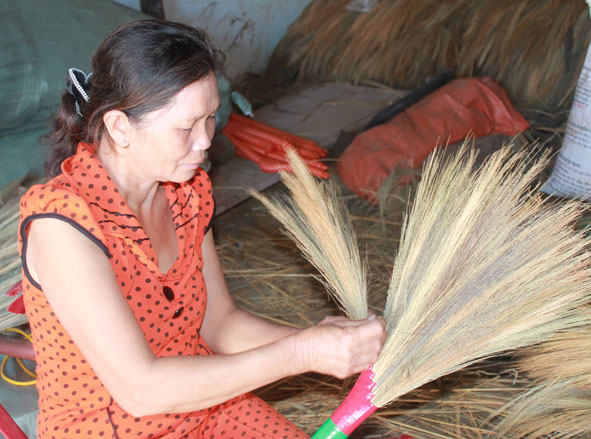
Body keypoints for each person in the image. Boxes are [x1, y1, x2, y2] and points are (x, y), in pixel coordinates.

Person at [18, 20, 385, 439]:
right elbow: (142, 391)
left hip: (204, 402)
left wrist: (323, 343)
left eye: (210, 118)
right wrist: (302, 353)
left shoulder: (186, 193)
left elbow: (220, 322)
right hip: (113, 428)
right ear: (120, 128)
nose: (205, 140)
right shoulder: (63, 225)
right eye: (186, 127)